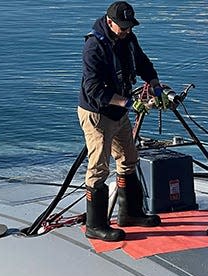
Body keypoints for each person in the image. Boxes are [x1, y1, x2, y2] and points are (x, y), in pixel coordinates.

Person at [77, 1, 164, 242]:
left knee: (128, 158)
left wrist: (155, 84)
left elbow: (142, 63)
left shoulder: (128, 38)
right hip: (97, 114)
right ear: (109, 22)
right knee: (98, 168)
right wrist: (128, 104)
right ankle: (96, 224)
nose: (126, 31)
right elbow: (93, 89)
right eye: (122, 27)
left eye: (129, 27)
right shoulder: (93, 47)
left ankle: (131, 213)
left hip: (119, 113)